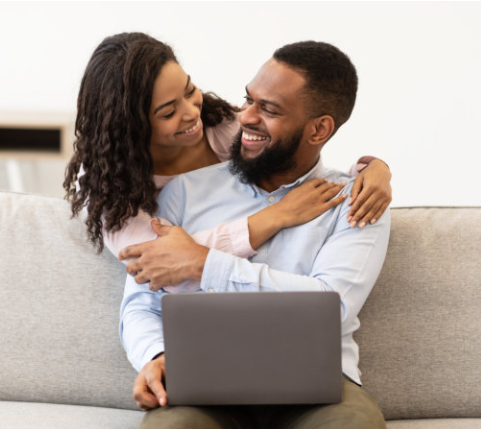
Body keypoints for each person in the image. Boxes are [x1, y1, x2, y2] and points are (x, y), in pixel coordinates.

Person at [119, 40, 391, 429]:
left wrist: (204, 264)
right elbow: (140, 302)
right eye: (248, 99)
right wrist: (155, 355)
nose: (245, 116)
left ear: (319, 129)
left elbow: (331, 308)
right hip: (204, 381)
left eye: (269, 109)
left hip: (318, 391)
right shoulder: (184, 192)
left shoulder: (357, 201)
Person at [62, 33, 392, 287]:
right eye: (168, 112)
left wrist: (371, 170)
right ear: (130, 126)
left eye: (189, 91)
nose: (192, 113)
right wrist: (273, 218)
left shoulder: (224, 125)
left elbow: (294, 154)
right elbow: (158, 262)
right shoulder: (112, 193)